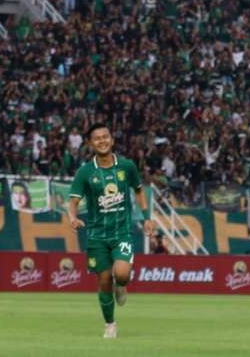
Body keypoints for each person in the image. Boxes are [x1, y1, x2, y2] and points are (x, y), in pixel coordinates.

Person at [67, 123, 155, 339]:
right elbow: (73, 201)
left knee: (122, 274)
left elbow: (139, 191)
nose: (102, 141)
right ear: (90, 143)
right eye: (97, 138)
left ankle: (122, 286)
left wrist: (147, 218)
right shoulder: (85, 172)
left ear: (112, 140)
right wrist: (72, 217)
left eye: (105, 137)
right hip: (97, 236)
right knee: (105, 280)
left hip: (122, 232)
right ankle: (110, 324)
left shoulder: (127, 166)